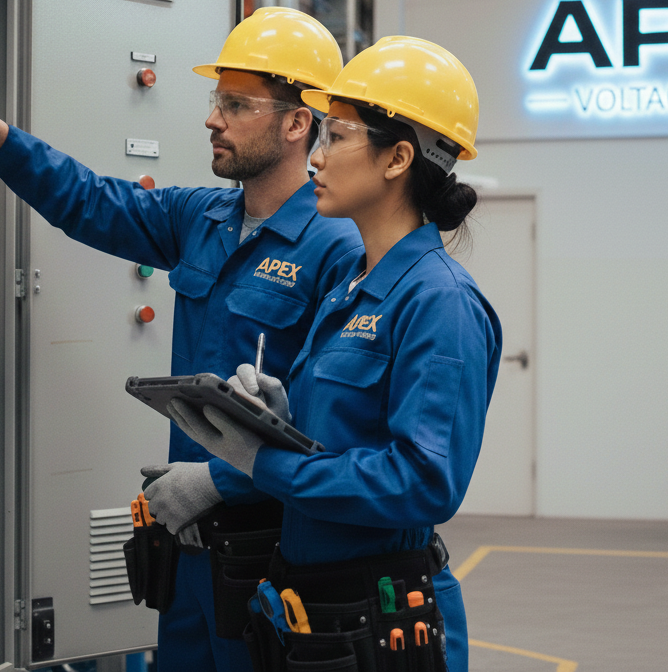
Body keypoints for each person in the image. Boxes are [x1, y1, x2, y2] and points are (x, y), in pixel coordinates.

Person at [0, 7, 362, 672]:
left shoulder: (337, 248)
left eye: (235, 104)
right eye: (214, 99)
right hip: (188, 541)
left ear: (296, 123)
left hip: (270, 554)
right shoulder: (201, 218)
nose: (211, 118)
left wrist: (223, 482)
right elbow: (88, 199)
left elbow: (332, 419)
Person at [169, 35, 502, 672]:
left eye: (338, 137)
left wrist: (263, 462)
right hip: (313, 612)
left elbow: (423, 482)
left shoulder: (440, 302)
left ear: (397, 158)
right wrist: (280, 419)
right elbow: (350, 432)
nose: (315, 158)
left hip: (382, 621)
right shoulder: (351, 290)